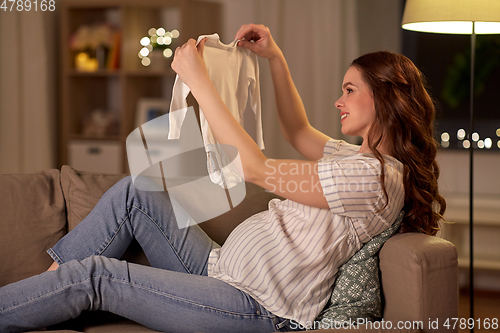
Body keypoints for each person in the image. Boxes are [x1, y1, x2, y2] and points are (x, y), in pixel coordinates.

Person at [0, 24, 445, 332]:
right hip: (217, 269)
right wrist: (274, 57)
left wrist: (198, 79)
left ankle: (44, 293)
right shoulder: (357, 160)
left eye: (349, 90)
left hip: (254, 308)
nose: (338, 101)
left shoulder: (373, 180)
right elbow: (297, 130)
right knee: (136, 190)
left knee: (95, 276)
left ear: (385, 97)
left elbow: (256, 168)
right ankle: (47, 289)